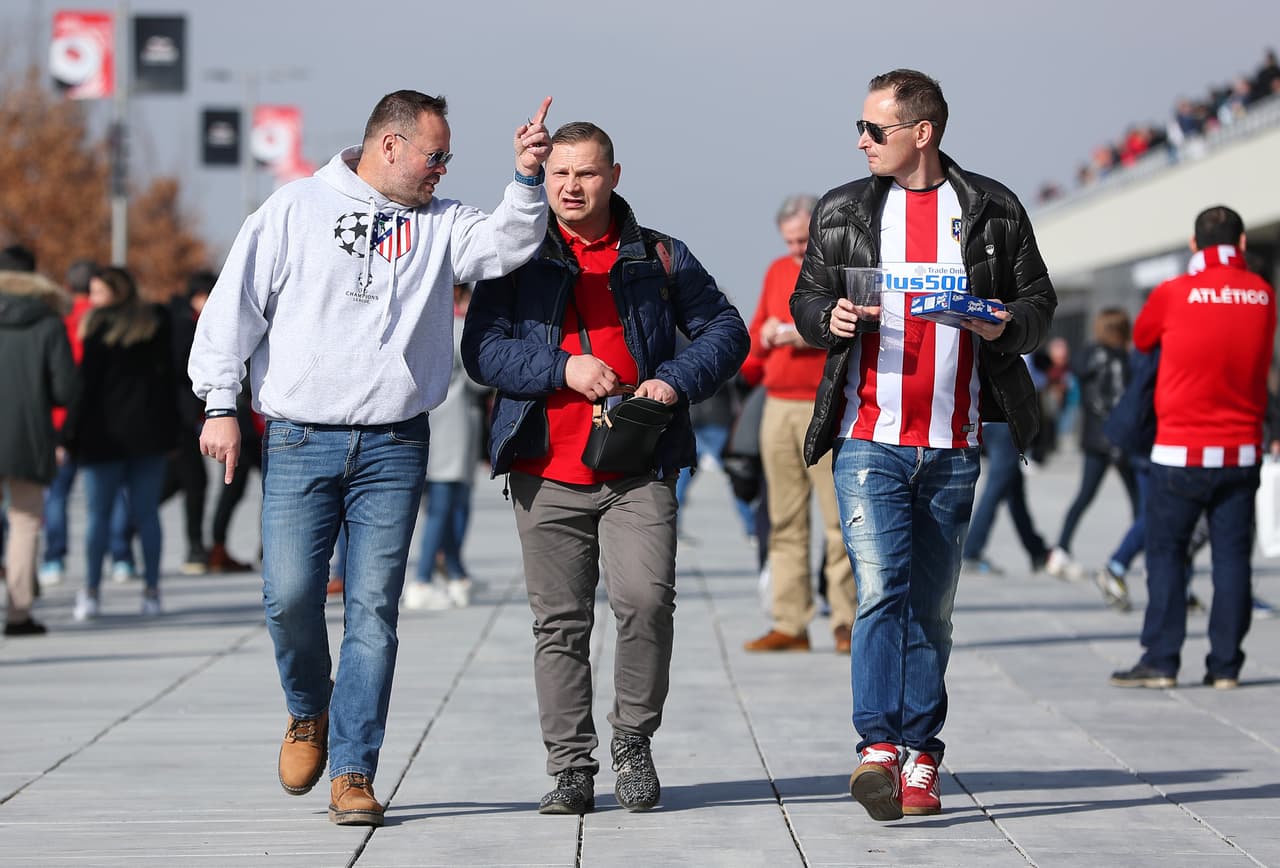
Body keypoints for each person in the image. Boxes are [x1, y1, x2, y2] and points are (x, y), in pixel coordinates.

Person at [189, 90, 554, 827]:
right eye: (434, 155)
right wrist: (221, 403)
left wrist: (525, 178)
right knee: (289, 596)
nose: (442, 169)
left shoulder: (441, 222)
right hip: (298, 436)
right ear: (390, 146)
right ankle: (306, 711)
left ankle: (354, 771)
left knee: (373, 612)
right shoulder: (294, 210)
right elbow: (234, 310)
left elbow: (505, 248)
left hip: (393, 442)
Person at [790, 69, 1056, 821]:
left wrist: (1005, 323)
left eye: (876, 129)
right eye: (861, 127)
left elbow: (1041, 305)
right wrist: (827, 320)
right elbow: (806, 299)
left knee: (932, 610)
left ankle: (923, 756)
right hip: (867, 435)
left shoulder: (991, 208)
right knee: (880, 590)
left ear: (923, 133)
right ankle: (878, 746)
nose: (862, 140)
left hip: (954, 440)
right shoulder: (843, 208)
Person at [462, 121, 748, 816]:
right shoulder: (516, 255)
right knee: (559, 626)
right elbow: (482, 353)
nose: (570, 187)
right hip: (544, 467)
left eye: (586, 174)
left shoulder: (659, 256)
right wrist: (563, 367)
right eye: (559, 174)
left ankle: (633, 743)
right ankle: (570, 768)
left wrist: (672, 381)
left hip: (638, 466)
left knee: (645, 603)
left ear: (614, 177)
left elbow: (726, 329)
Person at [1110, 206, 1276, 690]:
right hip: (1241, 452)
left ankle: (1161, 661)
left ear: (1193, 244)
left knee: (1166, 553)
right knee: (1231, 560)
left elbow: (1142, 340)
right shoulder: (1264, 295)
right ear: (1242, 245)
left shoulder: (1173, 293)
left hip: (1179, 453)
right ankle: (1225, 666)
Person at [743, 194, 857, 654]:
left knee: (838, 521)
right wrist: (767, 336)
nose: (795, 250)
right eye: (789, 242)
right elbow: (755, 337)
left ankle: (846, 621)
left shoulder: (841, 268)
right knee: (784, 518)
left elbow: (850, 326)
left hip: (823, 402)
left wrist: (800, 331)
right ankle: (790, 621)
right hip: (778, 404)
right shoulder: (775, 271)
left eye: (802, 241)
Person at [66, 266, 180, 620]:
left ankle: (91, 591)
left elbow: (85, 387)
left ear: (117, 292)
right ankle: (151, 591)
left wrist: (69, 434)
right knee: (147, 515)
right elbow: (171, 378)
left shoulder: (97, 326)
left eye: (98, 292)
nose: (93, 299)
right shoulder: (157, 321)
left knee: (98, 516)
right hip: (149, 432)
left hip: (104, 435)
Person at [0, 267, 77, 635]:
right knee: (25, 523)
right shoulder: (48, 325)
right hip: (27, 438)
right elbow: (65, 390)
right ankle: (18, 613)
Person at [403, 284, 487, 611]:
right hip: (455, 424)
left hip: (427, 422)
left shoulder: (422, 325)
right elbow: (478, 379)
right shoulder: (460, 328)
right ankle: (423, 579)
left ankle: (455, 573)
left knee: (440, 503)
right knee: (446, 505)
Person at [1045, 308, 1139, 579]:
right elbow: (1121, 400)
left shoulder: (1086, 356)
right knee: (1140, 502)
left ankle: (1061, 549)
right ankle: (1140, 552)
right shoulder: (1121, 359)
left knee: (1084, 497)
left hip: (1094, 438)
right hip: (1119, 438)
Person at [39, 259, 96, 587]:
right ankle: (120, 556)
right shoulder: (104, 317)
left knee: (56, 494)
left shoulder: (60, 319)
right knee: (108, 495)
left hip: (59, 418)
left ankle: (54, 558)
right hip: (97, 420)